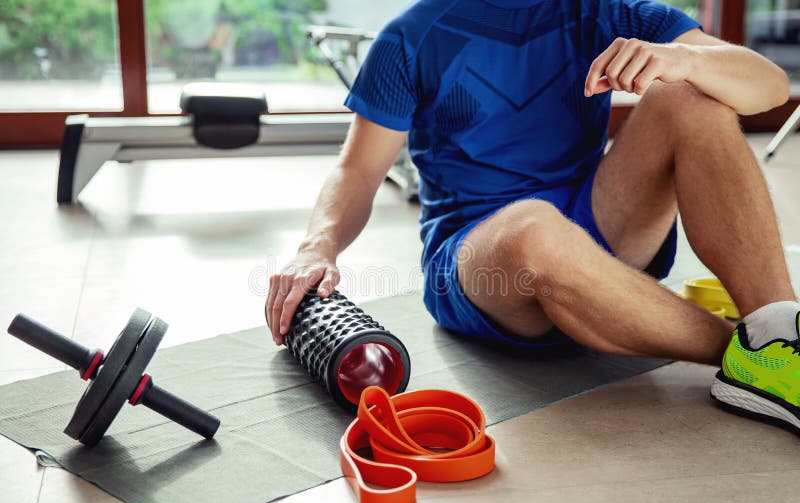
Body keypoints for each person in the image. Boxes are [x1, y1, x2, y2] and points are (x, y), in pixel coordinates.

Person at [266, 0, 800, 432]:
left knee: (690, 96)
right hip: (481, 262)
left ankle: (780, 329)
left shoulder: (612, 13)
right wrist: (318, 245)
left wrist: (687, 62)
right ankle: (754, 358)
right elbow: (358, 171)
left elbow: (769, 88)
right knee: (533, 226)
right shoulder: (412, 34)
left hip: (594, 227)